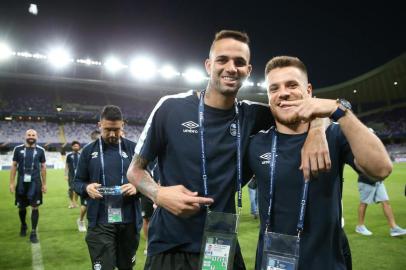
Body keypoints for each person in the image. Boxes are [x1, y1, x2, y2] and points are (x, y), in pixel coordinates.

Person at [127, 30, 330, 270]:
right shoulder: (171, 107)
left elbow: (308, 107)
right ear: (208, 65)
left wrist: (317, 129)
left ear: (248, 71)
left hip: (222, 246)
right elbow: (135, 172)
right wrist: (158, 194)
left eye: (239, 62)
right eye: (223, 60)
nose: (231, 68)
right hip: (171, 246)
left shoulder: (254, 115)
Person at [247, 56, 393, 269]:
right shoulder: (255, 143)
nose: (283, 93)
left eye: (292, 84)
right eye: (274, 88)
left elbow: (381, 168)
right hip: (272, 263)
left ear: (308, 90)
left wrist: (339, 111)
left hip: (327, 262)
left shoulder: (334, 135)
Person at [74, 105, 142, 270]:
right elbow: (77, 182)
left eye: (116, 129)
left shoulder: (134, 149)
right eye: (107, 129)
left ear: (123, 125)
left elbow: (151, 180)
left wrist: (137, 187)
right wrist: (87, 188)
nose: (112, 134)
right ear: (99, 126)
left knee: (126, 267)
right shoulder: (88, 151)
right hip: (100, 221)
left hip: (129, 220)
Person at [9, 129, 47, 244]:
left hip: (35, 182)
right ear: (25, 136)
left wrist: (44, 184)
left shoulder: (41, 150)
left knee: (35, 207)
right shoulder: (18, 149)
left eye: (33, 135)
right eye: (29, 135)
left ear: (37, 137)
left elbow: (43, 167)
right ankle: (23, 225)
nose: (31, 137)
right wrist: (11, 183)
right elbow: (14, 166)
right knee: (21, 207)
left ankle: (34, 232)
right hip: (21, 182)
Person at [65, 141, 80, 209]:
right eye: (74, 146)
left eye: (77, 146)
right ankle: (71, 203)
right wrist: (66, 175)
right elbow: (67, 166)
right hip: (71, 175)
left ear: (79, 147)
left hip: (79, 175)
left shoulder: (81, 155)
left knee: (77, 189)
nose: (76, 147)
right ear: (72, 147)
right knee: (71, 189)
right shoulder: (69, 156)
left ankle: (75, 203)